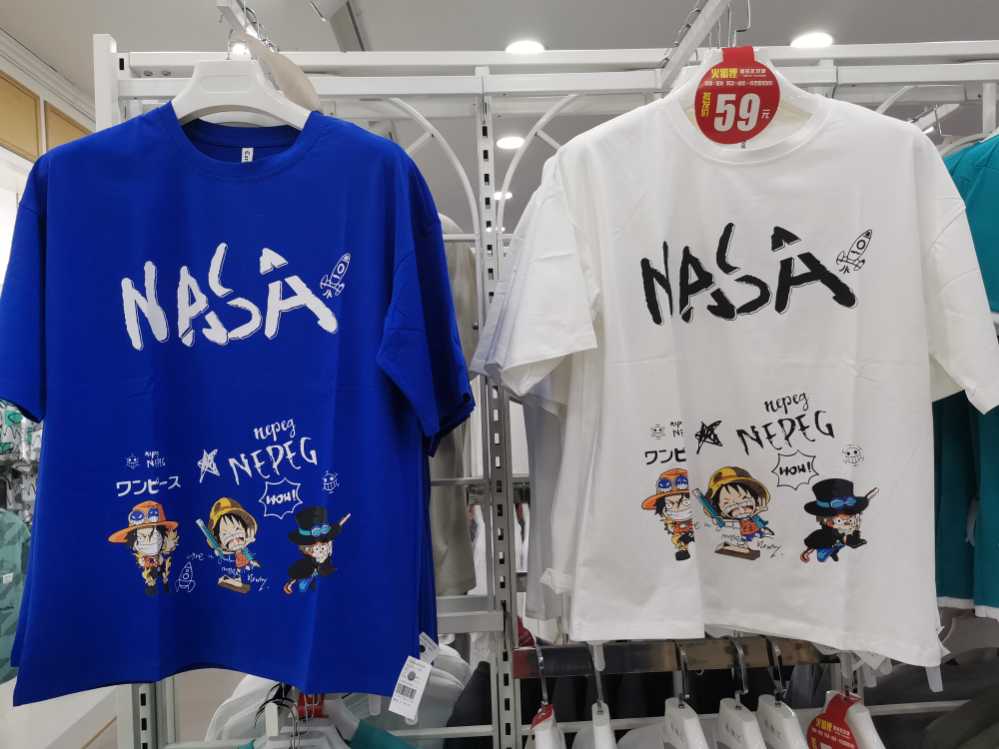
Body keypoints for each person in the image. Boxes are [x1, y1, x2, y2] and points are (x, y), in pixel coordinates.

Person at [696, 466, 773, 560]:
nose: (741, 510)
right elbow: (730, 524)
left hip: (758, 535)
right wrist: (720, 521)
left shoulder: (756, 518)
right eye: (729, 505)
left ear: (755, 498)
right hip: (746, 535)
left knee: (758, 541)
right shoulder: (737, 522)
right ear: (720, 508)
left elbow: (761, 524)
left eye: (745, 501)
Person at [108, 500, 180, 595]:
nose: (148, 541)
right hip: (147, 574)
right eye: (142, 537)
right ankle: (152, 586)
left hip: (162, 570)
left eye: (153, 536)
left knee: (163, 575)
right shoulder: (142, 560)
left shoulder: (162, 555)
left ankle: (164, 584)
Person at [800, 478, 875, 563]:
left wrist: (855, 536)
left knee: (839, 545)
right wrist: (807, 552)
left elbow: (854, 528)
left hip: (841, 541)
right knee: (821, 557)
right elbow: (817, 539)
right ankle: (830, 551)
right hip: (830, 541)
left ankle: (834, 552)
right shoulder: (825, 533)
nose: (846, 516)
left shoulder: (851, 519)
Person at [283, 506, 349, 594]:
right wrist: (290, 582)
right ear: (306, 550)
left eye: (324, 544)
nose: (322, 549)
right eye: (316, 548)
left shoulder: (328, 556)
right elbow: (297, 572)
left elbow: (336, 529)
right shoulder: (304, 566)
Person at [202, 498, 260, 593]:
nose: (235, 540)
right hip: (232, 566)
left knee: (242, 570)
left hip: (244, 566)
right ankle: (236, 580)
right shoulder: (226, 552)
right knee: (237, 570)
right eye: (225, 534)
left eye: (237, 529)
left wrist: (251, 561)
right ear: (218, 539)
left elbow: (247, 553)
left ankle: (239, 580)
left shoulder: (243, 548)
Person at [641, 467, 695, 560]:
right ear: (664, 509)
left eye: (685, 502)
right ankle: (683, 550)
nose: (677, 509)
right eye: (670, 505)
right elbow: (674, 534)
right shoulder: (672, 525)